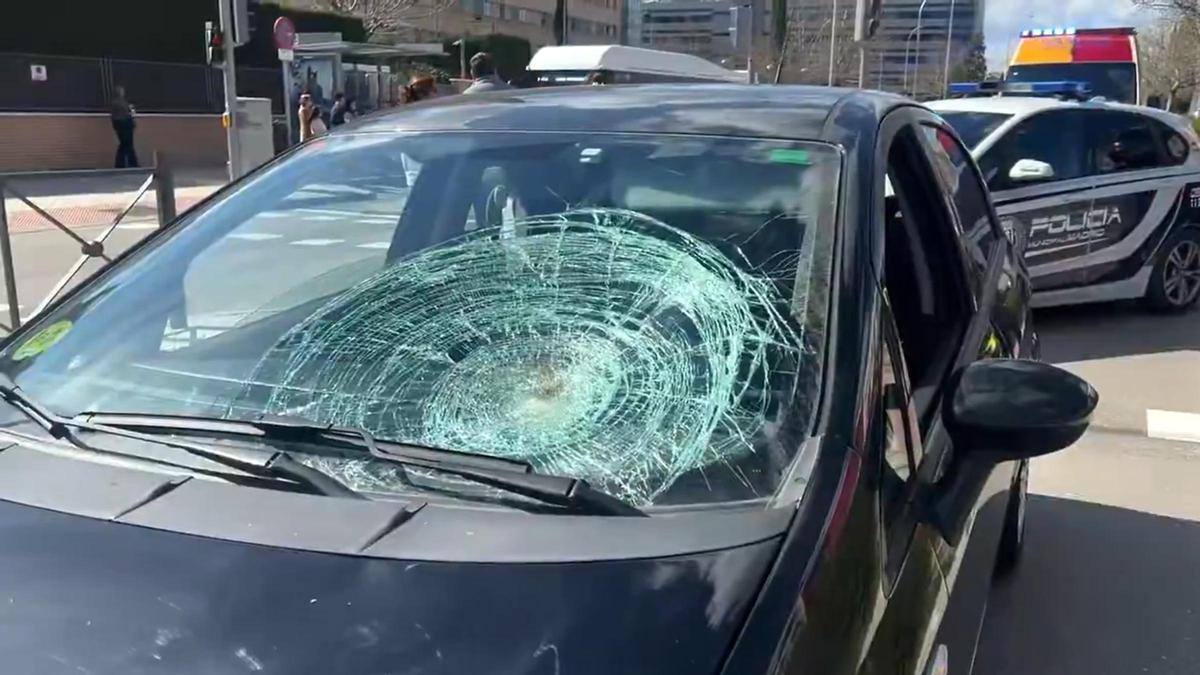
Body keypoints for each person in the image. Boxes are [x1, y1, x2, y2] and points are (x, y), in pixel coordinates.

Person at [110, 86, 138, 168]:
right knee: (127, 144)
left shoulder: (115, 103)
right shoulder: (121, 103)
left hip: (120, 125)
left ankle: (122, 164)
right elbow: (127, 113)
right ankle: (131, 163)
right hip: (125, 125)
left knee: (124, 144)